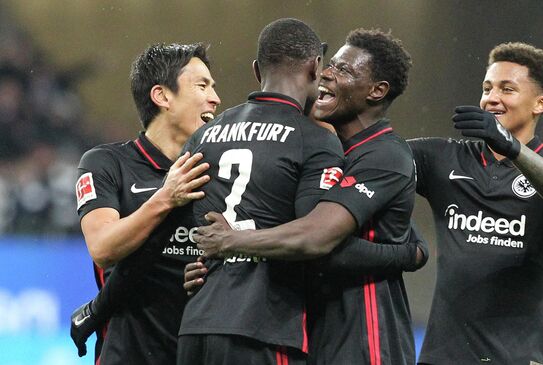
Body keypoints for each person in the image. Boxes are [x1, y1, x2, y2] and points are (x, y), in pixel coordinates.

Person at [191, 28, 419, 365]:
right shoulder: (318, 148)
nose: (327, 72)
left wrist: (230, 242)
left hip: (364, 338)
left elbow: (318, 241)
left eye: (343, 70)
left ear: (377, 90)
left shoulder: (385, 155)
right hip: (309, 331)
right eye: (330, 65)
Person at [408, 42, 543, 364]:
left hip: (519, 357)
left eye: (507, 89)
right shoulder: (442, 157)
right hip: (443, 356)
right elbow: (376, 156)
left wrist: (512, 149)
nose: (492, 98)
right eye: (487, 88)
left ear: (540, 104)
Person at [175, 18, 345, 365]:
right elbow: (314, 237)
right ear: (315, 67)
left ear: (257, 70)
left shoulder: (204, 136)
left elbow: (186, 221)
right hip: (264, 326)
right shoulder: (314, 139)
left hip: (196, 325)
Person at [70, 42, 220, 365]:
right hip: (128, 354)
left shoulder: (220, 172)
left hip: (202, 353)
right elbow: (103, 247)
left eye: (214, 87)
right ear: (162, 96)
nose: (215, 98)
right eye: (202, 85)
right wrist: (166, 197)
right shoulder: (106, 164)